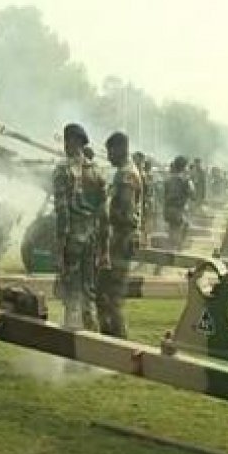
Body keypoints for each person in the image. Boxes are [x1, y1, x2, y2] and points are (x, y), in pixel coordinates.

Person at [53, 123, 107, 330]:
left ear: (73, 142)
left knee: (71, 295)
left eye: (66, 140)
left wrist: (58, 250)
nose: (65, 145)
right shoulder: (97, 172)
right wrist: (104, 250)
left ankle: (72, 346)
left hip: (72, 241)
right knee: (88, 293)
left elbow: (62, 213)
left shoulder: (63, 170)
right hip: (91, 241)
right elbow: (104, 215)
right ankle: (91, 340)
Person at [96, 132, 142, 338]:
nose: (108, 156)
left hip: (120, 241)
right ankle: (110, 339)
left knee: (112, 294)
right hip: (119, 240)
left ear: (120, 149)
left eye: (110, 151)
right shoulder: (126, 173)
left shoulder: (125, 175)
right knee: (106, 293)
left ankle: (117, 343)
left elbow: (121, 212)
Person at [163, 156, 193, 250]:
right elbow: (192, 194)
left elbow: (164, 194)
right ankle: (178, 248)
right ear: (184, 167)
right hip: (179, 210)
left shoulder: (168, 179)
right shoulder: (186, 180)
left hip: (168, 209)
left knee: (172, 229)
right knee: (185, 226)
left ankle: (171, 247)